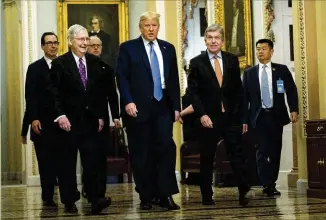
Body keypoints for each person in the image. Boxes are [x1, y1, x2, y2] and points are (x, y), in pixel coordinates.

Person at [116, 11, 181, 210]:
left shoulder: (168, 48)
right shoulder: (128, 48)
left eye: (154, 25)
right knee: (142, 153)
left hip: (162, 106)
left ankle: (166, 195)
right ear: (140, 27)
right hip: (137, 108)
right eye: (147, 25)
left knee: (166, 150)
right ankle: (146, 196)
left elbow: (173, 80)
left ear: (158, 27)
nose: (151, 29)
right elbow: (122, 77)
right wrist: (128, 101)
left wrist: (176, 107)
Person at [187, 24, 254, 206]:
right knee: (207, 157)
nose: (213, 41)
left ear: (222, 41)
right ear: (205, 40)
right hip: (209, 118)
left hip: (230, 117)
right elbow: (193, 93)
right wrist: (202, 115)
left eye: (217, 38)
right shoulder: (196, 62)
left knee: (237, 154)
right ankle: (207, 196)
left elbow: (238, 91)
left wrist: (242, 118)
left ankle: (244, 192)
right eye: (210, 37)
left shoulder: (232, 60)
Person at [49, 24, 110, 214]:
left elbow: (100, 93)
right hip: (68, 122)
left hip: (90, 122)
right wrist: (60, 115)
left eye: (86, 39)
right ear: (70, 42)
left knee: (92, 162)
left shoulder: (94, 62)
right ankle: (69, 200)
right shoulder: (60, 63)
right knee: (67, 163)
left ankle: (94, 199)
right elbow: (53, 93)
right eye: (81, 40)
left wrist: (101, 115)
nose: (85, 43)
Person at [242, 38, 298, 197]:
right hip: (258, 118)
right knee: (261, 151)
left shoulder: (281, 70)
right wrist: (244, 120)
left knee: (274, 151)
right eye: (258, 49)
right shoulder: (249, 73)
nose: (260, 51)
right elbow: (244, 99)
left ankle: (271, 182)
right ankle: (266, 183)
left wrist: (293, 109)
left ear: (271, 51)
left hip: (276, 116)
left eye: (264, 49)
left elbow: (291, 90)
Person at [23, 32, 60, 207]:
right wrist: (34, 119)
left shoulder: (64, 65)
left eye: (55, 42)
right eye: (49, 43)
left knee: (64, 161)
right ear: (42, 46)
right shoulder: (34, 68)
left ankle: (68, 197)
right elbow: (30, 97)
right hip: (42, 123)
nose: (53, 46)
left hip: (63, 123)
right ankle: (48, 197)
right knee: (46, 162)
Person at [82, 36, 120, 198]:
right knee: (88, 156)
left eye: (99, 45)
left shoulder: (106, 68)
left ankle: (101, 191)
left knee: (101, 154)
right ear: (87, 47)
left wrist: (116, 116)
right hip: (85, 118)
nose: (96, 48)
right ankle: (89, 189)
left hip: (102, 117)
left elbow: (112, 95)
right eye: (93, 45)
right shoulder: (82, 68)